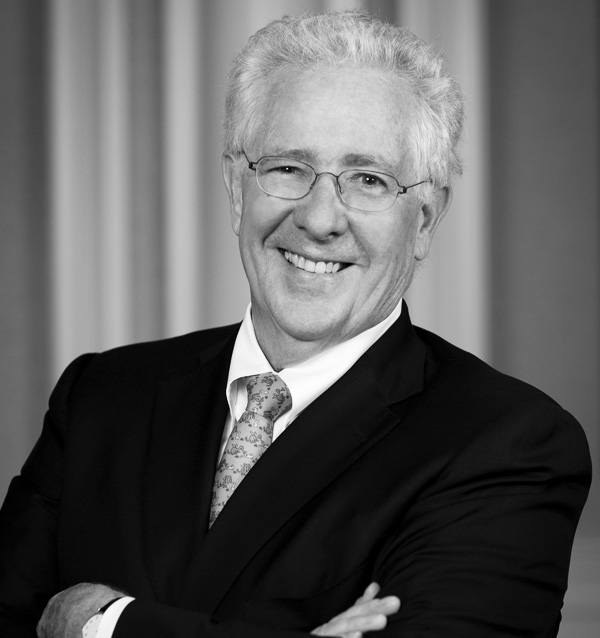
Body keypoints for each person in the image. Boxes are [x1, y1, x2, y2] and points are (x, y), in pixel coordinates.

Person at [0, 10, 591, 638]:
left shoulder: (508, 443)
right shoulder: (102, 395)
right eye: (288, 168)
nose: (319, 218)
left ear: (424, 220)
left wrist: (103, 624)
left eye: (369, 179)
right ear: (235, 187)